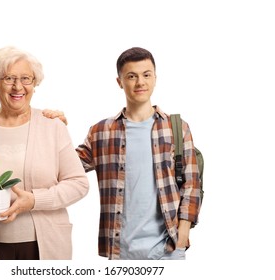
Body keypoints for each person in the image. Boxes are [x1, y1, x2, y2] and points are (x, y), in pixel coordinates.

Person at [44, 47, 201, 260]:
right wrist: (55, 130)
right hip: (120, 250)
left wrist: (182, 235)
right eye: (131, 76)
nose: (140, 82)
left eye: (146, 75)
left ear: (155, 78)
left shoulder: (177, 128)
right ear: (119, 82)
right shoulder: (101, 132)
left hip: (168, 249)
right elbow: (66, 167)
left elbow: (191, 186)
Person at [0, 46, 89, 260]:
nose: (18, 86)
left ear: (35, 83)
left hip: (46, 245)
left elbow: (78, 183)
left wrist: (34, 200)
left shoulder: (53, 126)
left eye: (26, 79)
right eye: (9, 78)